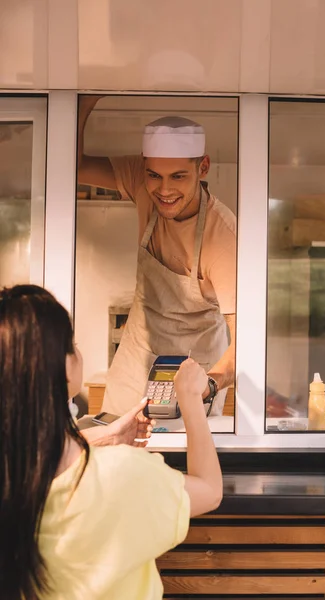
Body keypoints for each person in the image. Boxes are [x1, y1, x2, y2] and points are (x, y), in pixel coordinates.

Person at [0, 284, 223, 600]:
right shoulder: (124, 476)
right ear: (63, 369)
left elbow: (40, 450)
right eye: (72, 344)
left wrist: (104, 436)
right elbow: (210, 490)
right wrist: (188, 399)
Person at [78, 96, 236, 416]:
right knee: (116, 443)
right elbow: (74, 166)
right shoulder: (139, 177)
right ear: (144, 166)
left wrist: (212, 383)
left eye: (178, 176)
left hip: (194, 366)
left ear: (202, 166)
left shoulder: (222, 237)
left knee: (179, 458)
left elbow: (248, 339)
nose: (164, 190)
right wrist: (83, 100)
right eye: (155, 176)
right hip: (137, 355)